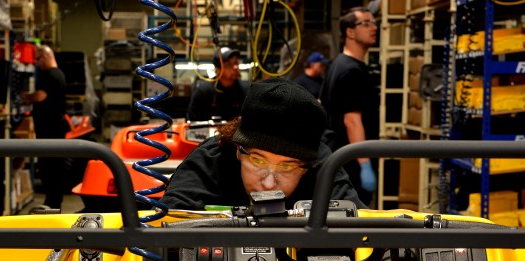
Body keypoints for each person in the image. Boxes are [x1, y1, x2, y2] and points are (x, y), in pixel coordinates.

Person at [161, 78, 365, 211]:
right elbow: (169, 219)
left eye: (286, 167)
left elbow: (359, 226)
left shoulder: (320, 164)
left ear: (306, 167)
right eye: (258, 160)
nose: (268, 184)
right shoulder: (213, 156)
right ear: (238, 151)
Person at [320, 6, 379, 207]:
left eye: (374, 22)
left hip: (339, 156)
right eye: (366, 23)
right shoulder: (352, 71)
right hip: (351, 161)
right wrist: (365, 165)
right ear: (350, 32)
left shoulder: (338, 64)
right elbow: (352, 120)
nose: (373, 27)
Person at [21, 45, 70, 209]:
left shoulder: (49, 75)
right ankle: (54, 202)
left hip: (50, 130)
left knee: (50, 168)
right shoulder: (60, 74)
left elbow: (40, 96)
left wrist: (27, 97)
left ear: (45, 57)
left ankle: (52, 202)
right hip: (55, 128)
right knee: (54, 167)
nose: (36, 63)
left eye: (37, 59)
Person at [185, 47, 250, 122]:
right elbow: (191, 119)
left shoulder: (246, 90)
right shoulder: (204, 91)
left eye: (236, 63)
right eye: (228, 65)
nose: (235, 67)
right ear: (218, 70)